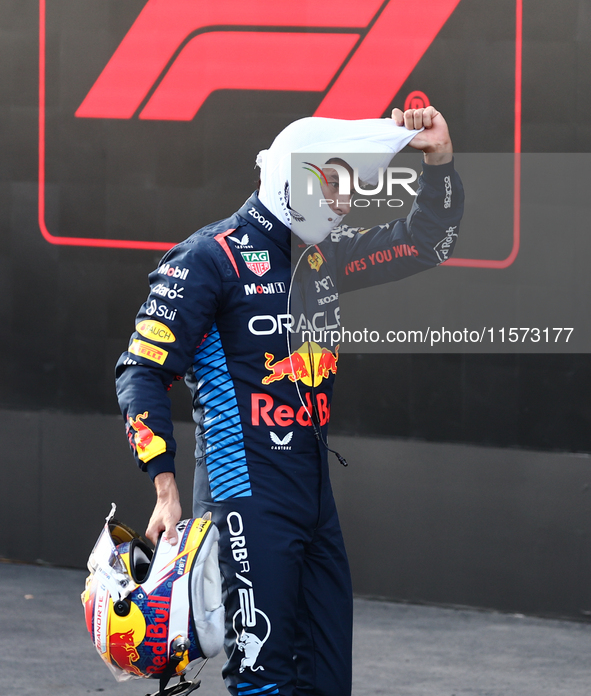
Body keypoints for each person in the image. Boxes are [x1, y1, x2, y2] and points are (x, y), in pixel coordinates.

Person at [116, 105, 464, 696]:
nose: (348, 200)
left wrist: (440, 160)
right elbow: (140, 371)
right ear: (293, 177)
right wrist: (164, 486)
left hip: (313, 496)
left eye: (352, 184)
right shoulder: (208, 258)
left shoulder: (322, 257)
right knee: (264, 680)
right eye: (335, 182)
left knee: (327, 679)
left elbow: (427, 242)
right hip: (244, 498)